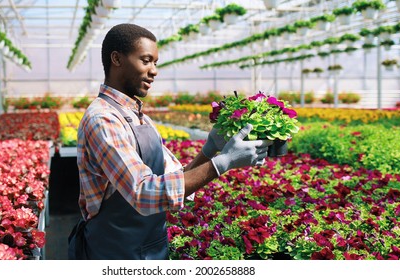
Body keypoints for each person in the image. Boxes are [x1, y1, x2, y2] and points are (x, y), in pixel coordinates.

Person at [68, 23, 272, 260]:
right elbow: (144, 193)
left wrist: (210, 150)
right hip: (115, 252)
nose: (154, 71)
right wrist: (223, 163)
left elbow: (175, 181)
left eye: (155, 63)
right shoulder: (103, 119)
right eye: (146, 60)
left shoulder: (139, 117)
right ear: (117, 59)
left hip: (150, 248)